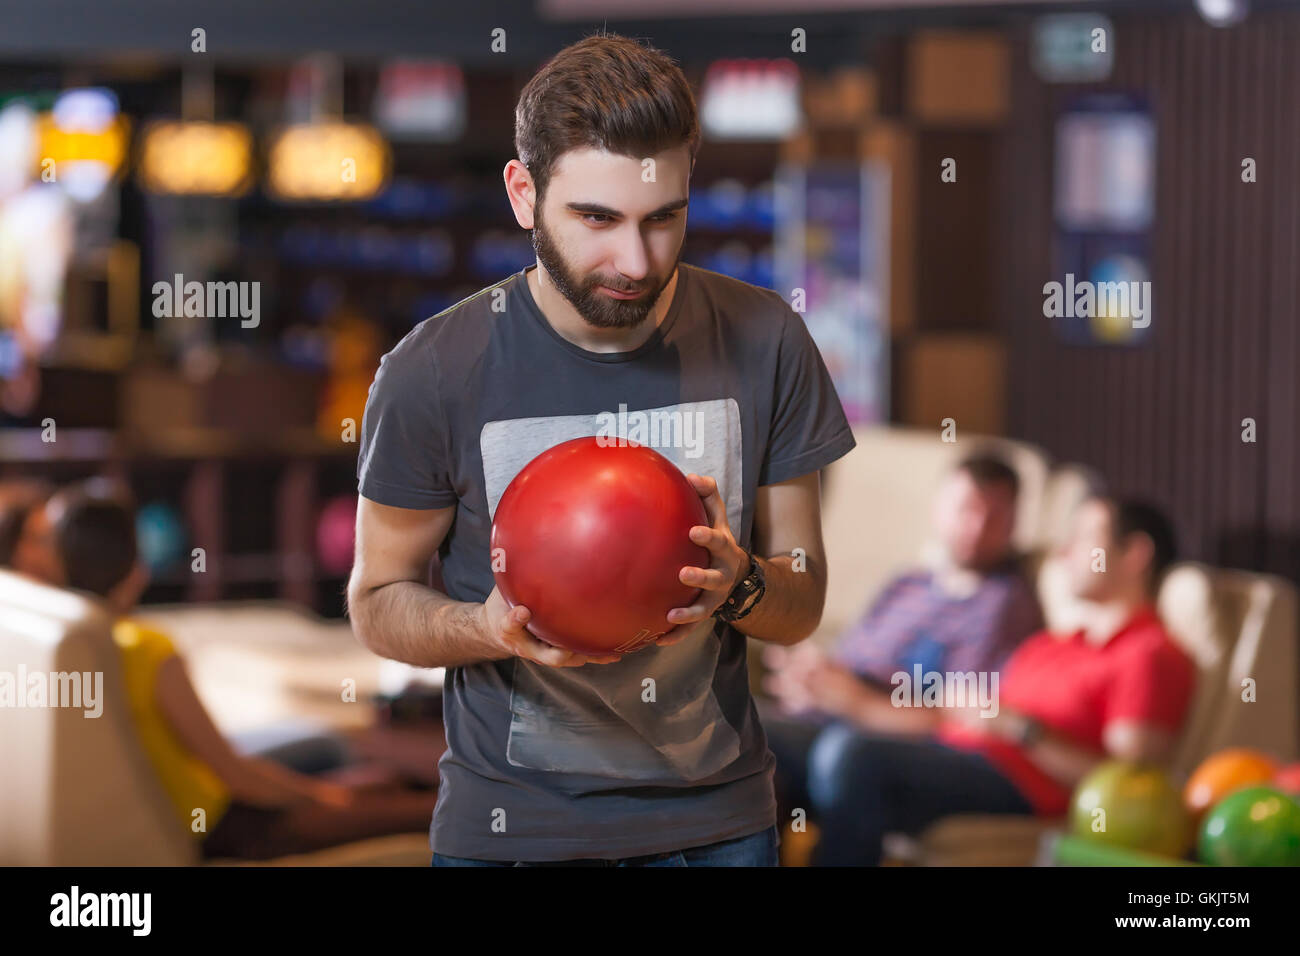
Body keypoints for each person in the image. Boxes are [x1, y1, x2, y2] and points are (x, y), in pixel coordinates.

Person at [348, 33, 857, 867]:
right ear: (524, 192)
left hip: (718, 831)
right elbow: (377, 602)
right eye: (597, 219)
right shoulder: (433, 369)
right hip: (510, 832)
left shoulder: (767, 339)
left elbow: (799, 607)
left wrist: (742, 584)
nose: (637, 260)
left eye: (665, 219)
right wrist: (486, 626)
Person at [11, 480, 437, 860]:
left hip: (214, 809)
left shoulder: (97, 643)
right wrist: (322, 796)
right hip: (229, 826)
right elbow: (232, 773)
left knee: (383, 783)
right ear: (135, 566)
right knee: (404, 808)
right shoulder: (148, 650)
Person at [768, 494, 1196, 865]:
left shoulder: (1149, 654)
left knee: (850, 754)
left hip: (1017, 785)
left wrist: (1024, 729)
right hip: (949, 750)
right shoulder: (1050, 644)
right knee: (767, 736)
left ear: (1135, 554)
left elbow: (1129, 786)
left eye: (1084, 537)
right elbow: (959, 715)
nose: (1065, 551)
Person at [762, 452, 1042, 743]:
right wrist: (812, 679)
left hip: (876, 743)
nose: (977, 528)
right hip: (821, 717)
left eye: (995, 517)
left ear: (1014, 524)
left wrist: (858, 703)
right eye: (966, 509)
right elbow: (849, 658)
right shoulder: (909, 582)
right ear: (939, 509)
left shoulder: (1004, 603)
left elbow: (962, 718)